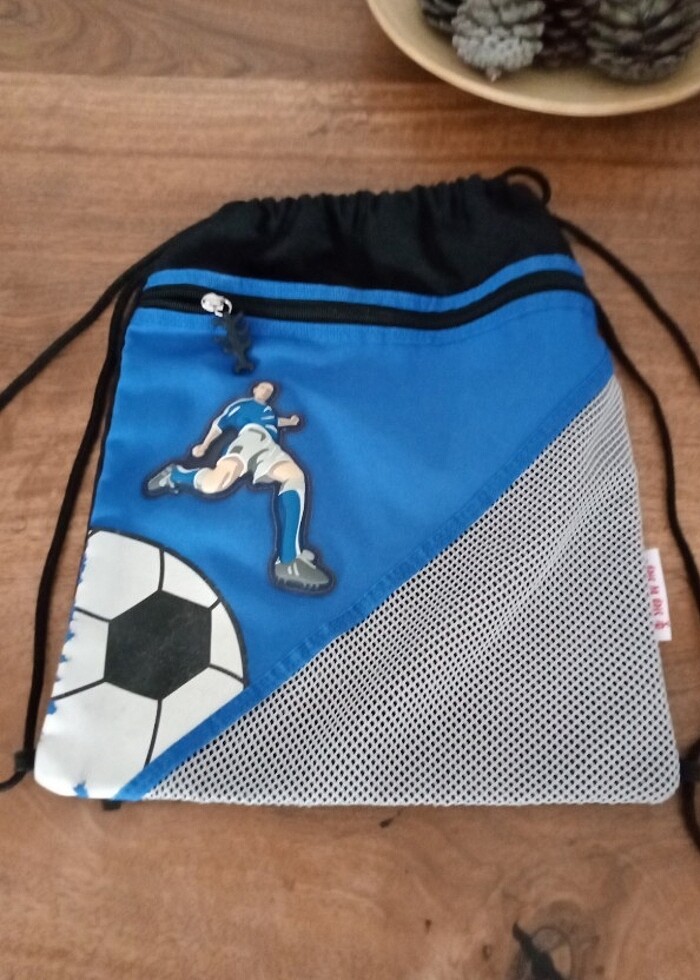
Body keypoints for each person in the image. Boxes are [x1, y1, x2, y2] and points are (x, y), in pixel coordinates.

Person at [145, 380, 333, 594]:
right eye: (263, 387)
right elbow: (220, 423)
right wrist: (204, 445)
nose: (266, 391)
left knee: (294, 477)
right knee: (215, 484)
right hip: (248, 440)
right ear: (255, 389)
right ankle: (176, 474)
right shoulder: (243, 405)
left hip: (269, 445)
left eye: (270, 390)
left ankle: (289, 558)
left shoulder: (269, 412)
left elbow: (273, 422)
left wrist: (288, 422)